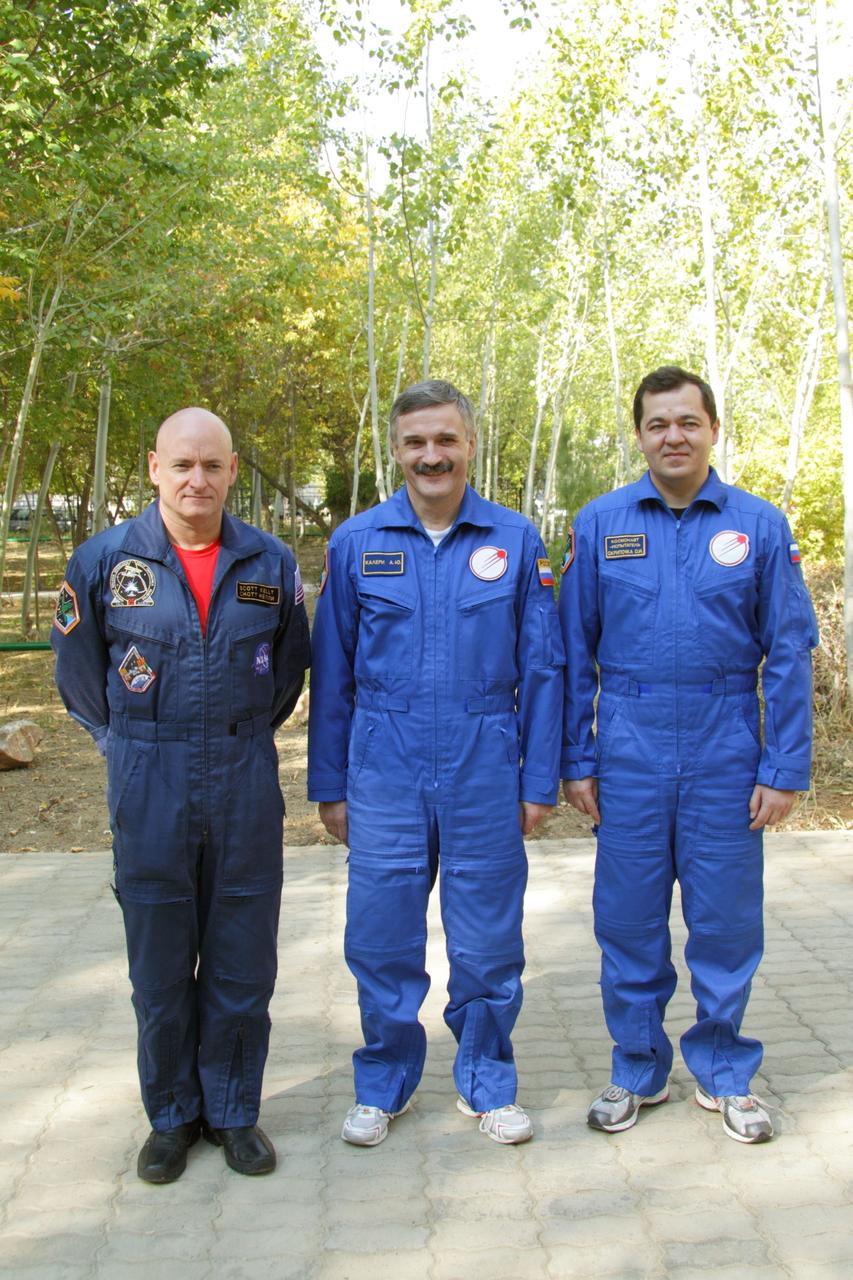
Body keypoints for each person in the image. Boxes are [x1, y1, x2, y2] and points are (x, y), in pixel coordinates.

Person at [559, 365, 818, 1144]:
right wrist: (577, 758)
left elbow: (789, 651)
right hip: (629, 745)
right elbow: (572, 652)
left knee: (725, 924)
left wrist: (782, 767)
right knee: (628, 921)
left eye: (687, 422)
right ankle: (636, 1069)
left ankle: (724, 1072)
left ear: (712, 429)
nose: (672, 436)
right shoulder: (600, 524)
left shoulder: (758, 526)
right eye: (656, 424)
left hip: (725, 744)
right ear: (637, 435)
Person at [52, 407, 310, 1182]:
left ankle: (233, 1111)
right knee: (159, 965)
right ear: (155, 470)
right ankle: (171, 1115)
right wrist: (128, 747)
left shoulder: (269, 563)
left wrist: (233, 736)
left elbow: (288, 669)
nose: (197, 479)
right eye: (182, 465)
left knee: (241, 961)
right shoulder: (102, 561)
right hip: (148, 779)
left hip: (242, 777)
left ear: (232, 471)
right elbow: (76, 674)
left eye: (212, 465)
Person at [308, 379, 564, 1146]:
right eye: (416, 441)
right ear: (396, 449)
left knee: (487, 938)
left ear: (470, 445)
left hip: (484, 760)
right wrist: (330, 783)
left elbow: (544, 670)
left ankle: (487, 1082)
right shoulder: (356, 543)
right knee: (380, 935)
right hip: (382, 767)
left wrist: (538, 778)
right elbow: (333, 673)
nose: (431, 455)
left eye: (445, 439)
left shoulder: (515, 541)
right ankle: (383, 1081)